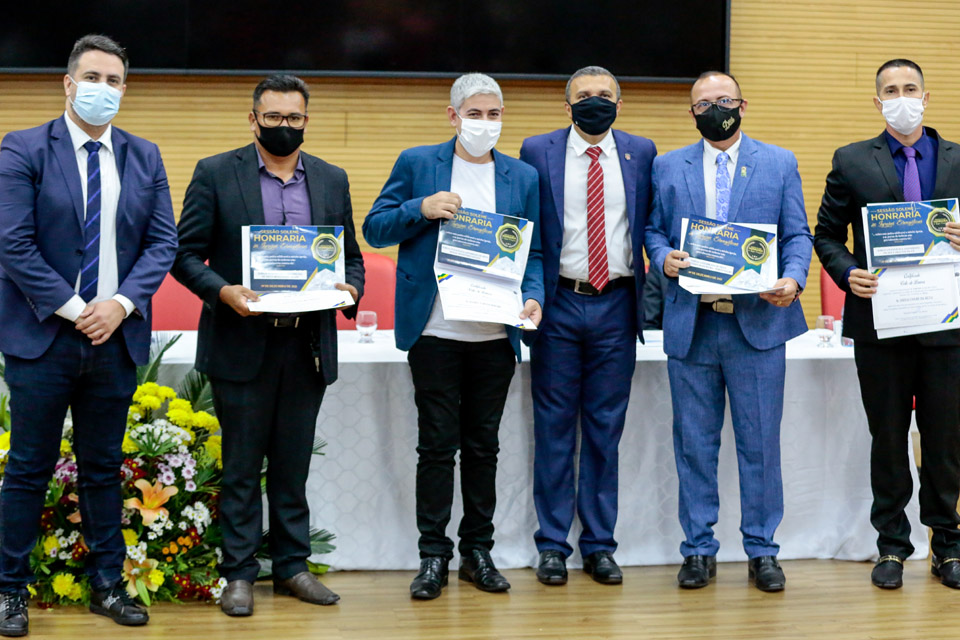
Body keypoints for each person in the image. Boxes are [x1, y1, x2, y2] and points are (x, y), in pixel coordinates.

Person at [0, 35, 178, 635]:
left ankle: (107, 586)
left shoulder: (144, 155)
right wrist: (78, 309)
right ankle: (7, 593)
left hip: (115, 338)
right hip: (43, 338)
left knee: (103, 467)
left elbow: (162, 243)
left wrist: (122, 304)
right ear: (69, 83)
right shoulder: (22, 148)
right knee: (28, 467)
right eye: (94, 77)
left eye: (116, 80)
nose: (106, 89)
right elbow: (13, 244)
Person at [172, 74, 364, 615]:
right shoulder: (215, 173)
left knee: (292, 466)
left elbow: (349, 253)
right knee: (239, 467)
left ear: (307, 120)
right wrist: (222, 291)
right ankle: (237, 573)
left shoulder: (331, 177)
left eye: (294, 118)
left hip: (306, 345)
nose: (285, 127)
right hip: (242, 341)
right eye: (274, 117)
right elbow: (184, 255)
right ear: (253, 118)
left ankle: (292, 568)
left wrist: (353, 286)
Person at [363, 73, 544, 600]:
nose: (484, 124)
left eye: (494, 115)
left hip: (495, 333)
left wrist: (533, 296)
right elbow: (374, 228)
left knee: (484, 446)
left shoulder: (523, 176)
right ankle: (432, 556)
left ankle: (478, 552)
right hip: (436, 331)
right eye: (475, 114)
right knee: (437, 447)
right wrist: (420, 209)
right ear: (452, 116)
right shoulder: (419, 164)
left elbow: (532, 251)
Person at [645, 71, 811, 592]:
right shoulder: (668, 165)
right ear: (691, 113)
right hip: (692, 326)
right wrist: (661, 257)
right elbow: (651, 228)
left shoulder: (779, 162)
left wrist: (793, 277)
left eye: (723, 100)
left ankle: (762, 550)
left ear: (742, 103)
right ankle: (698, 549)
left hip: (757, 327)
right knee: (694, 445)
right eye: (703, 103)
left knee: (759, 445)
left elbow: (798, 233)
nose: (714, 108)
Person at [815, 58, 960, 590]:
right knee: (888, 439)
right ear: (878, 102)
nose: (902, 97)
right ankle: (892, 547)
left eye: (911, 88)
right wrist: (848, 271)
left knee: (946, 442)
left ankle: (948, 545)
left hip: (949, 328)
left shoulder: (959, 159)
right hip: (881, 325)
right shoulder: (852, 160)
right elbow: (825, 234)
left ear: (926, 96)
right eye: (891, 90)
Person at [519, 66, 656, 586]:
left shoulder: (640, 152)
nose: (593, 102)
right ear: (566, 104)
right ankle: (552, 545)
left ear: (619, 103)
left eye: (604, 96)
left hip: (617, 307)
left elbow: (650, 223)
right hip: (558, 304)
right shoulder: (537, 151)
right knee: (553, 429)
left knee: (604, 429)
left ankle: (599, 545)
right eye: (584, 96)